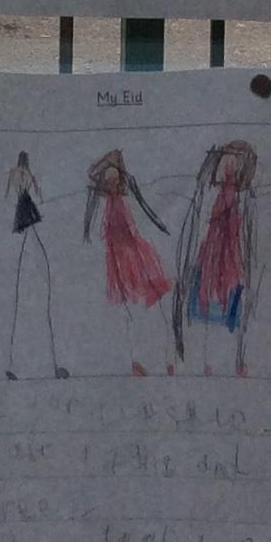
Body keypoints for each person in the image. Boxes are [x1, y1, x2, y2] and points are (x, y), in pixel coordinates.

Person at [172, 140, 258, 375]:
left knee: (227, 321)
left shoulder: (245, 200)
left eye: (235, 164)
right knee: (200, 320)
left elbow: (248, 240)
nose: (228, 168)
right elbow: (194, 232)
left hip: (231, 271)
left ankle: (223, 365)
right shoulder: (207, 195)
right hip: (205, 265)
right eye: (226, 161)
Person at [84, 148, 172, 376]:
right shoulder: (102, 200)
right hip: (117, 258)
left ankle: (164, 358)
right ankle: (138, 360)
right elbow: (91, 177)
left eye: (115, 176)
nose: (112, 181)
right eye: (108, 178)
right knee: (131, 310)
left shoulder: (126, 194)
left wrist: (160, 224)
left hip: (134, 253)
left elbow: (145, 209)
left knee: (149, 304)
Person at [4, 152, 68, 379]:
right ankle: (28, 364)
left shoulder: (15, 175)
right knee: (36, 295)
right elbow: (36, 195)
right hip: (26, 222)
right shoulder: (23, 176)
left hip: (25, 223)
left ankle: (24, 364)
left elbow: (10, 195)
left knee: (34, 295)